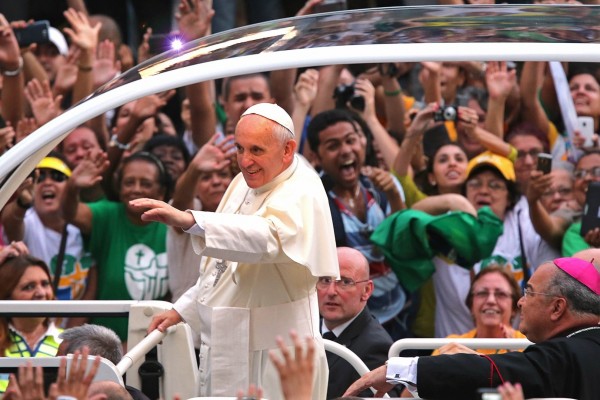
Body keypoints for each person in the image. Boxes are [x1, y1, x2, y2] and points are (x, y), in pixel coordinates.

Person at [130, 103, 339, 398]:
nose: (245, 161)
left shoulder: (303, 188)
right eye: (240, 149)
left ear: (288, 149)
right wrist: (182, 309)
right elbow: (223, 267)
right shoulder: (243, 183)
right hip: (232, 341)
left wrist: (190, 220)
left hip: (280, 357)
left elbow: (267, 239)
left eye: (256, 150)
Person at [344, 256, 600, 400]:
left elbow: (501, 371)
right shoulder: (583, 346)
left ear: (557, 308)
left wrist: (401, 369)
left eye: (529, 293)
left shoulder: (568, 354)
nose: (521, 302)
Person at [318, 246, 396, 399]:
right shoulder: (301, 330)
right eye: (325, 280)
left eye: (345, 282)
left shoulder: (375, 347)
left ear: (367, 290)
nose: (331, 291)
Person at [0, 246, 62, 394]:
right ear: (7, 296)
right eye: (29, 287)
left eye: (45, 284)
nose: (41, 293)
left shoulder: (68, 341)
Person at [431, 266, 526, 356]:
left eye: (501, 294)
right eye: (482, 293)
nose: (491, 300)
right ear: (471, 305)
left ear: (514, 307)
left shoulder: (528, 345)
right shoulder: (452, 344)